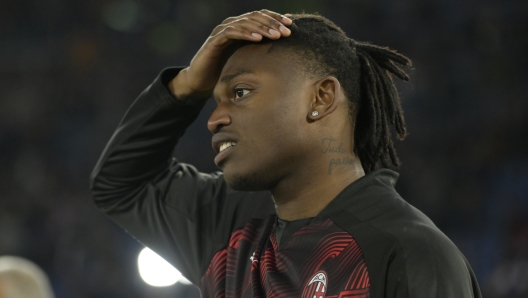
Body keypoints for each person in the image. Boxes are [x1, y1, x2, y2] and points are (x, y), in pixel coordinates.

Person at [91, 9, 481, 297]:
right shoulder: (231, 226)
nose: (214, 119)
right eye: (213, 100)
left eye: (240, 93)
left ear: (321, 98)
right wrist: (186, 85)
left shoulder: (408, 254)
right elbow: (121, 184)